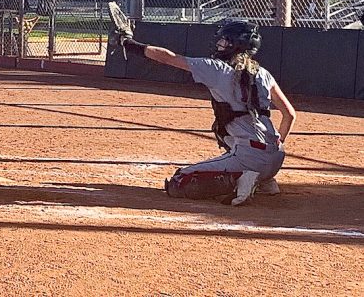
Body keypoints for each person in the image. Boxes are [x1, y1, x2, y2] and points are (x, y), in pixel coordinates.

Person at [115, 20, 297, 206]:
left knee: (179, 181)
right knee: (223, 129)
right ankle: (265, 180)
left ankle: (243, 179)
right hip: (276, 158)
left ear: (236, 45)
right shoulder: (264, 73)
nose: (220, 43)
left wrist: (129, 43)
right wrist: (274, 147)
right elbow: (290, 115)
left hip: (251, 157)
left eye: (226, 40)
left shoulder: (216, 68)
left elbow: (168, 58)